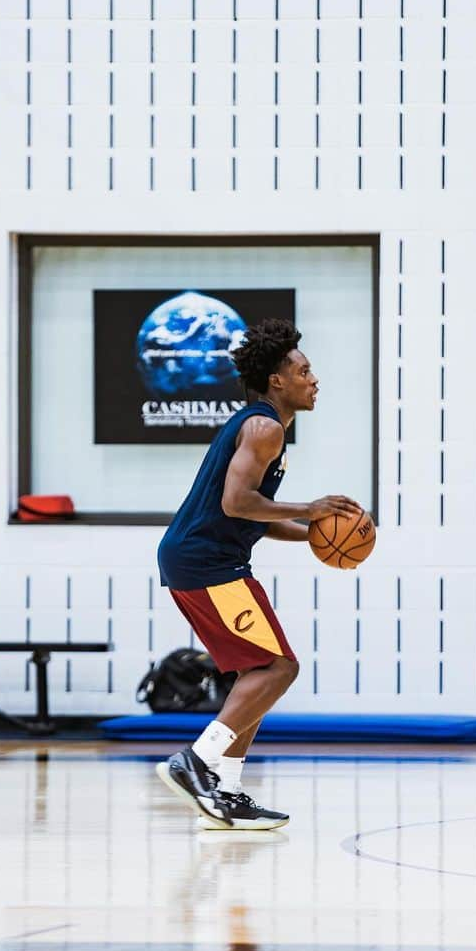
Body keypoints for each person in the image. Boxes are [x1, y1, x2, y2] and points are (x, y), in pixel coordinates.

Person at [155, 318, 361, 830]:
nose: (314, 379)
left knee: (259, 675)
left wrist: (314, 533)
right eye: (305, 370)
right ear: (277, 380)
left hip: (204, 559)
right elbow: (238, 501)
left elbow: (251, 515)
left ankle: (226, 790)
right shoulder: (264, 426)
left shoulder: (264, 426)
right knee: (278, 669)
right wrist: (312, 509)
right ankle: (197, 761)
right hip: (207, 563)